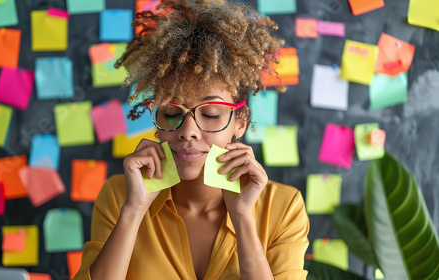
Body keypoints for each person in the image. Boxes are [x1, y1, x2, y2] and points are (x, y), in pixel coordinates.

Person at [74, 0, 309, 279]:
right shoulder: (120, 195)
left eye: (210, 114)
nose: (188, 131)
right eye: (172, 112)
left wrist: (243, 217)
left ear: (240, 123)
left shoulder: (284, 206)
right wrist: (134, 210)